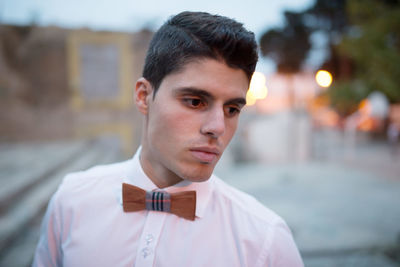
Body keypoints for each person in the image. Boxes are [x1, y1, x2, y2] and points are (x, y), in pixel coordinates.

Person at [33, 11, 303, 267]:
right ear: (143, 96)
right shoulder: (72, 200)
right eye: (195, 101)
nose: (217, 127)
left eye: (232, 109)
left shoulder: (266, 239)